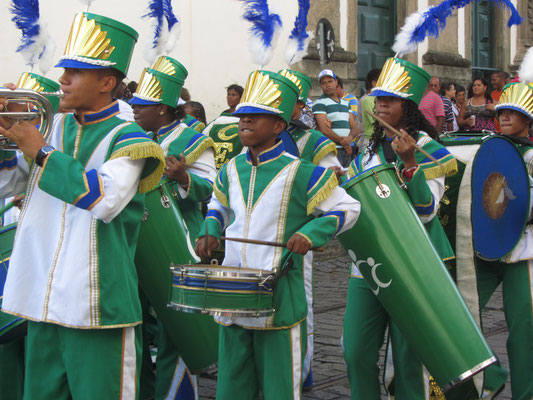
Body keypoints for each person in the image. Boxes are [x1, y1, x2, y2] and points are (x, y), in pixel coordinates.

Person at [0, 11, 165, 399]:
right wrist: (7, 136)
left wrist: (40, 151)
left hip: (96, 305)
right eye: (65, 71)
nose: (62, 80)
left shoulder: (131, 139)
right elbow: (9, 184)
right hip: (40, 297)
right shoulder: (51, 126)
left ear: (107, 82)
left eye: (75, 72)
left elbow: (103, 199)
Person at [195, 69, 360, 400]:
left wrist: (312, 232)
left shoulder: (302, 172)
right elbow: (218, 207)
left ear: (279, 126)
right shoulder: (230, 169)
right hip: (233, 297)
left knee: (280, 391)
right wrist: (210, 229)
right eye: (243, 116)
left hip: (279, 300)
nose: (245, 122)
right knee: (231, 390)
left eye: (256, 117)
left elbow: (348, 208)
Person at [342, 57, 457, 400]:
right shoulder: (366, 153)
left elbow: (426, 211)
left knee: (408, 359)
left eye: (389, 100)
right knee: (356, 351)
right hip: (367, 265)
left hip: (413, 265)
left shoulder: (430, 150)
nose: (381, 105)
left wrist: (410, 164)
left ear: (407, 107)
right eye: (378, 100)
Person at [130, 55, 217, 400]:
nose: (134, 109)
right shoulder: (133, 137)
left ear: (163, 109)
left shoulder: (195, 139)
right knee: (135, 328)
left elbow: (210, 190)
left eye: (142, 105)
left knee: (175, 334)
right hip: (138, 245)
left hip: (179, 241)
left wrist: (183, 178)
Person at [279, 68, 343, 389]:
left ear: (300, 105)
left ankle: (300, 371)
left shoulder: (316, 141)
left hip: (298, 235)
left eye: (285, 99)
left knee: (300, 302)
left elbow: (331, 193)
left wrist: (311, 228)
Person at [473, 81, 533, 400]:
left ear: (529, 119)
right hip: (486, 248)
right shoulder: (488, 148)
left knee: (524, 331)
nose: (506, 116)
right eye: (503, 111)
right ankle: (491, 375)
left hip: (522, 253)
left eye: (514, 112)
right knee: (463, 312)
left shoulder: (532, 156)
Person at [312, 69, 360, 167]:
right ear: (320, 86)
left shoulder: (346, 103)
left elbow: (353, 126)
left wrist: (350, 138)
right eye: (323, 83)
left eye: (330, 81)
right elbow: (324, 129)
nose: (327, 85)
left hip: (347, 149)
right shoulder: (319, 103)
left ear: (336, 82)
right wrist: (345, 143)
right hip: (331, 149)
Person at [203, 85, 244, 169]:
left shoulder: (245, 120)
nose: (229, 97)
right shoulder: (217, 121)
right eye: (228, 94)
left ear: (241, 98)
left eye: (233, 95)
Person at [358, 68, 381, 152]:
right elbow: (377, 121)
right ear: (374, 83)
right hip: (370, 142)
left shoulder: (378, 99)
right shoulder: (367, 100)